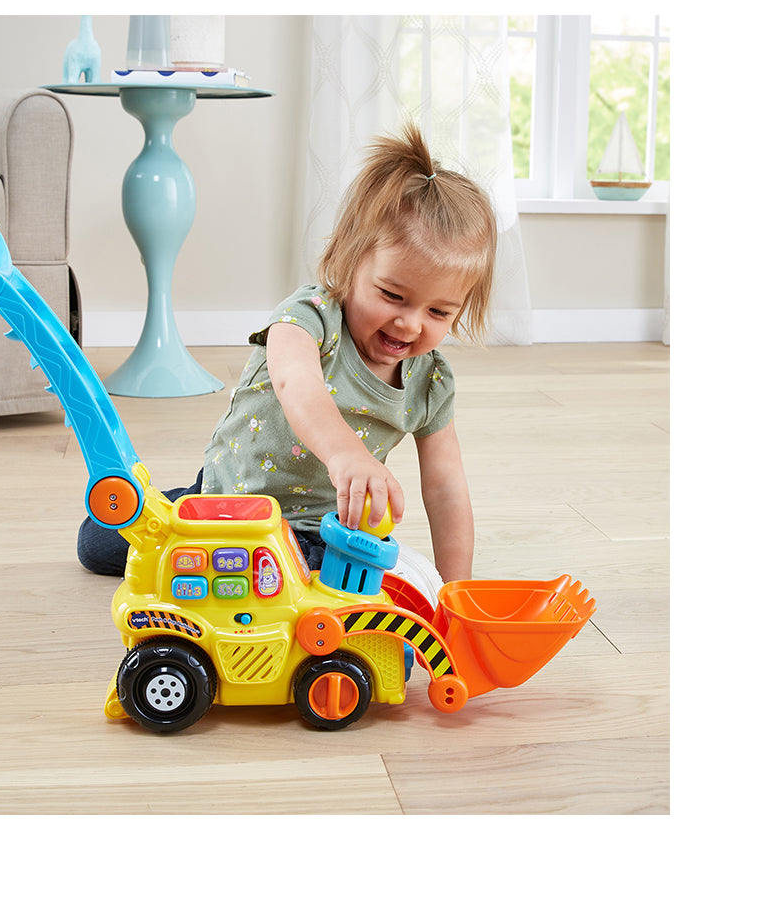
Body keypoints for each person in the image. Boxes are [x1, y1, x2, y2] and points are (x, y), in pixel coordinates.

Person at [77, 121, 497, 588]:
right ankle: (179, 512)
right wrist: (347, 455)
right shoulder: (308, 319)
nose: (410, 324)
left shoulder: (431, 383)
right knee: (97, 543)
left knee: (332, 597)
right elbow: (298, 387)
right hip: (231, 501)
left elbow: (445, 489)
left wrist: (457, 592)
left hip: (324, 530)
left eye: (439, 312)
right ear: (350, 260)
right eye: (392, 295)